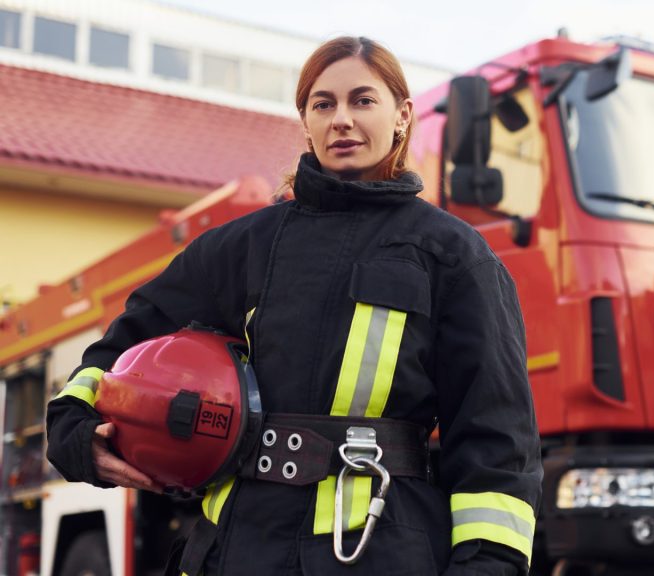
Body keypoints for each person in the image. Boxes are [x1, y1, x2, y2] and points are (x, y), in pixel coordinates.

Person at [46, 36, 542, 576]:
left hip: (379, 553)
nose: (342, 120)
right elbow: (126, 350)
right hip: (234, 551)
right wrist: (72, 426)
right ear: (304, 119)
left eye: (363, 100)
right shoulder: (238, 247)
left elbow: (495, 437)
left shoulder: (454, 257)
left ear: (402, 116)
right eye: (323, 104)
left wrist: (487, 564)